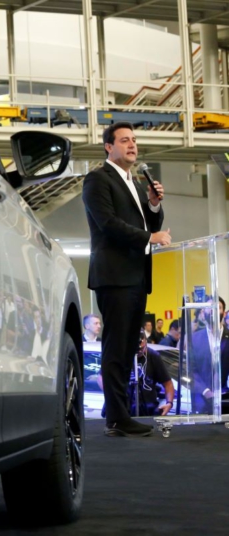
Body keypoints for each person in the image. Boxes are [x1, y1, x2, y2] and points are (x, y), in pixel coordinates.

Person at [82, 121, 171, 438]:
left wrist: (153, 204)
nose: (132, 145)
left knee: (126, 346)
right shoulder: (97, 179)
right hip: (115, 275)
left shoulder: (132, 182)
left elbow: (144, 221)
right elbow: (108, 224)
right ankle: (117, 417)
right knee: (116, 347)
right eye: (124, 140)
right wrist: (152, 236)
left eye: (134, 139)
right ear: (109, 146)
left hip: (135, 275)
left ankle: (119, 414)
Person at [189, 297, 229, 414]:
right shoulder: (195, 338)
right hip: (202, 400)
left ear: (224, 312)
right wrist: (205, 391)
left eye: (218, 308)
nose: (213, 311)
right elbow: (191, 370)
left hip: (226, 399)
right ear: (203, 312)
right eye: (209, 308)